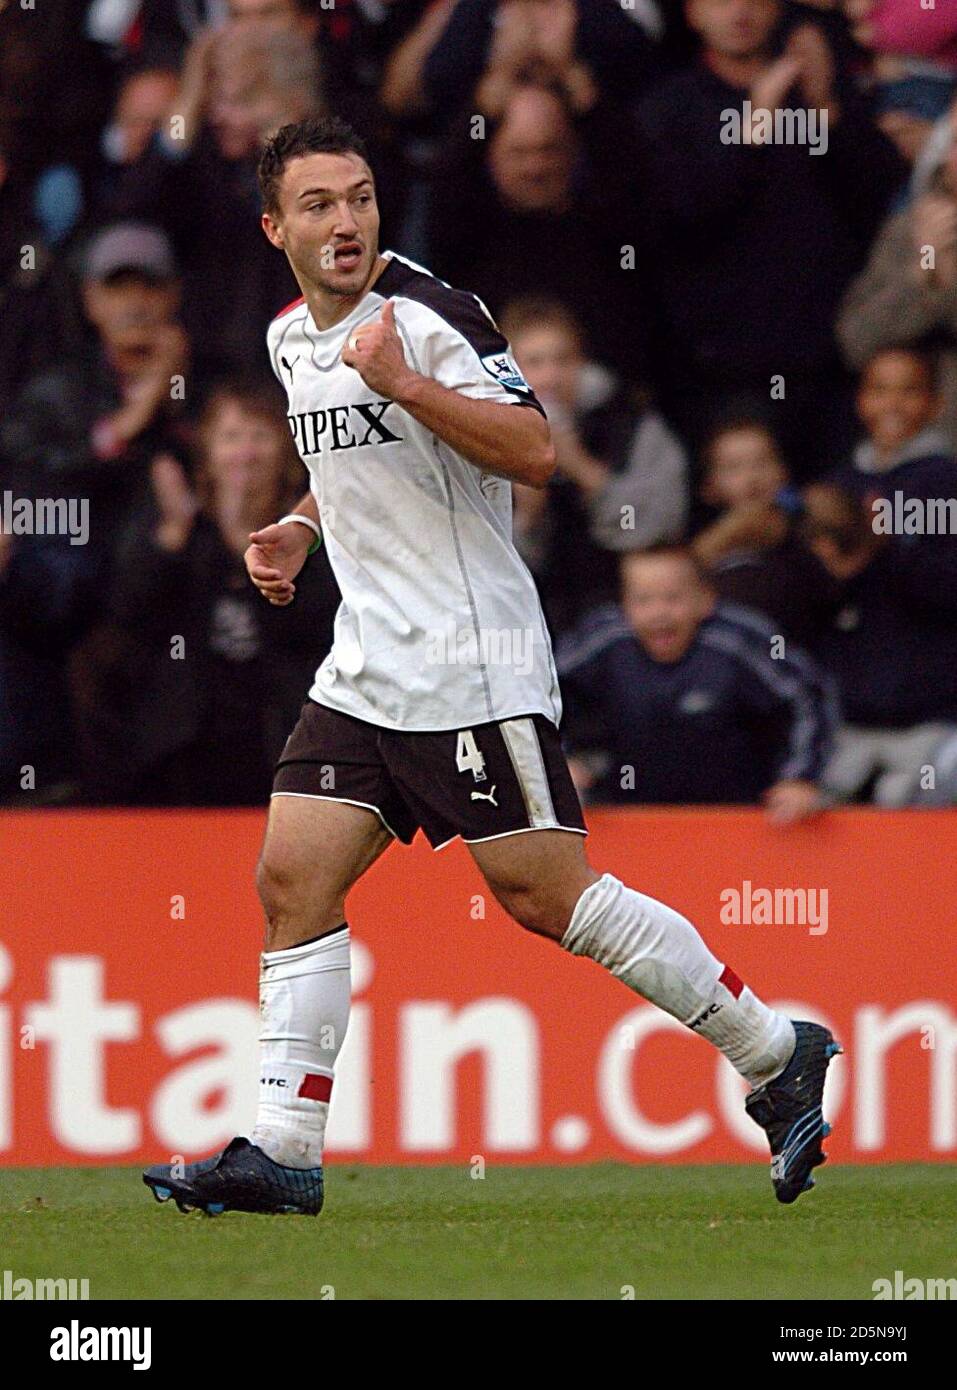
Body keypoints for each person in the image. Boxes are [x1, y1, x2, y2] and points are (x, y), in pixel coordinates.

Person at [142, 116, 841, 1219]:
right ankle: (282, 1145)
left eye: (361, 197)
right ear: (274, 226)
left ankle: (773, 1048)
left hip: (471, 665)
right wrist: (300, 526)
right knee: (291, 879)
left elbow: (534, 450)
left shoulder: (428, 317)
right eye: (319, 204)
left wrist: (410, 385)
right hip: (366, 668)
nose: (345, 221)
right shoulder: (289, 339)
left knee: (544, 898)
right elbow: (355, 466)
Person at [557, 546, 835, 817]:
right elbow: (542, 692)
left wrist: (800, 777)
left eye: (672, 598)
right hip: (632, 815)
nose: (658, 613)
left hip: (739, 817)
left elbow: (808, 696)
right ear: (625, 604)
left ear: (705, 600)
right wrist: (557, 765)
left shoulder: (738, 641)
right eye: (643, 600)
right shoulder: (605, 639)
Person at [502, 295, 688, 638]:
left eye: (563, 360)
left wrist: (580, 468)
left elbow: (660, 525)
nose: (551, 377)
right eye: (535, 363)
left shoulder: (630, 425)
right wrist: (528, 514)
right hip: (524, 623)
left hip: (626, 619)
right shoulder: (482, 433)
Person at [692, 418, 838, 649]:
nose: (752, 478)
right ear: (709, 487)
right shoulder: (703, 543)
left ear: (784, 471)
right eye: (733, 467)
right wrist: (728, 533)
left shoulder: (808, 526)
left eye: (762, 463)